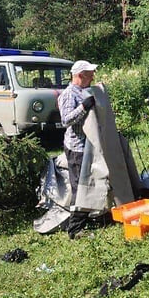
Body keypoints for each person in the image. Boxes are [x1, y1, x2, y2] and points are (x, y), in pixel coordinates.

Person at [58, 59, 98, 236]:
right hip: (76, 148)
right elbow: (65, 120)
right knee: (79, 187)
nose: (92, 77)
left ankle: (83, 219)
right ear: (80, 76)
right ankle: (75, 228)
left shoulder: (83, 91)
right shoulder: (69, 94)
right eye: (90, 75)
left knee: (86, 184)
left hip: (86, 146)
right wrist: (84, 106)